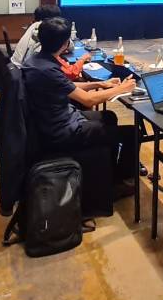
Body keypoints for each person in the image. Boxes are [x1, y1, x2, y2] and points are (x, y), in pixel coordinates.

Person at [22, 18, 138, 195]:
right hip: (62, 131)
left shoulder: (37, 61)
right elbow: (88, 101)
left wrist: (101, 84)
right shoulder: (48, 70)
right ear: (65, 44)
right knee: (131, 133)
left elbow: (68, 86)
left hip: (56, 120)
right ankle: (119, 183)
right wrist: (121, 89)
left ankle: (109, 173)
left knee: (109, 117)